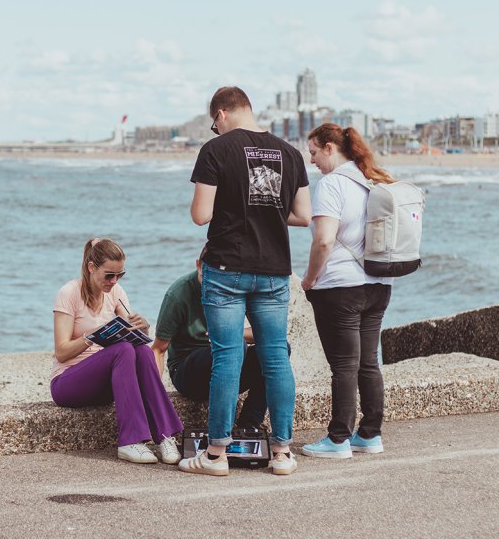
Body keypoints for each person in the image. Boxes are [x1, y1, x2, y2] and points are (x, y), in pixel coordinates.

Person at [178, 86, 311, 477]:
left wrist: (235, 207)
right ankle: (283, 453)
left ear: (221, 114)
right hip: (273, 270)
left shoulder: (216, 150)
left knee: (228, 357)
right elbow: (303, 215)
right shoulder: (290, 152)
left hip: (226, 269)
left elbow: (200, 215)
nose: (214, 129)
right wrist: (264, 211)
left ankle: (216, 455)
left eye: (213, 123)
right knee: (275, 357)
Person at [300, 123, 394, 459]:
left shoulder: (332, 184)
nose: (311, 161)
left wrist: (309, 279)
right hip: (379, 284)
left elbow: (324, 239)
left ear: (329, 148)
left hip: (340, 287)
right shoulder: (372, 178)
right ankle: (369, 435)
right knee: (368, 362)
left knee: (343, 365)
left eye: (313, 152)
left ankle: (338, 439)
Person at [51, 238, 184, 464]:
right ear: (92, 268)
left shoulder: (116, 291)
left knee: (140, 349)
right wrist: (92, 335)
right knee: (122, 349)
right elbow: (62, 352)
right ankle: (129, 441)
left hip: (105, 383)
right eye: (109, 275)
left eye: (120, 275)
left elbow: (131, 335)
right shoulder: (69, 293)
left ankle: (164, 435)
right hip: (67, 383)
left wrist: (142, 326)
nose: (114, 281)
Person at [152, 247, 293, 431]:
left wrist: (233, 332)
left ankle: (249, 424)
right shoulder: (179, 293)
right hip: (189, 369)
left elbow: (266, 334)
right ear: (198, 266)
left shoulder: (234, 285)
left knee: (279, 348)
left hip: (231, 366)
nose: (213, 282)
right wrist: (156, 397)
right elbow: (158, 349)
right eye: (207, 274)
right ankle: (222, 428)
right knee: (233, 347)